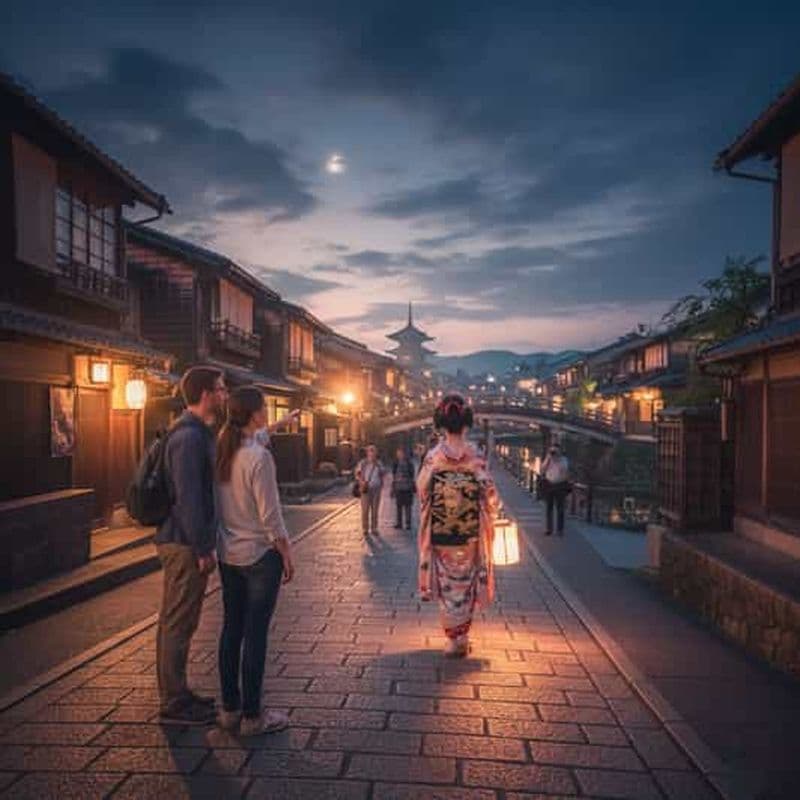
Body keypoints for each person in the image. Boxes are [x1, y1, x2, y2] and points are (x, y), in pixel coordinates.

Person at [215, 386, 296, 736]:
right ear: (253, 413)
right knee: (255, 634)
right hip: (261, 555)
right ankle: (253, 717)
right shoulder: (259, 459)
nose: (267, 412)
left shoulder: (223, 448)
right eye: (264, 408)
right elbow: (271, 516)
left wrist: (282, 423)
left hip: (228, 553)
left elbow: (258, 437)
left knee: (231, 630)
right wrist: (286, 551)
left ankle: (230, 710)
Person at [156, 366, 226, 725]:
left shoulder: (197, 433)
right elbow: (189, 498)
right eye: (220, 388)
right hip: (183, 543)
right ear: (204, 394)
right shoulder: (188, 437)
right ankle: (173, 701)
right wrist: (202, 548)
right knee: (178, 621)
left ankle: (178, 692)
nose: (225, 394)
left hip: (185, 540)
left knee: (180, 619)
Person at [417, 394, 498, 657]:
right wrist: (493, 512)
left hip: (442, 531)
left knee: (447, 584)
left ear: (441, 424)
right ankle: (462, 636)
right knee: (467, 581)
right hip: (470, 530)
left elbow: (422, 490)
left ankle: (452, 638)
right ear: (466, 425)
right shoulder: (475, 454)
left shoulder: (433, 456)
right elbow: (488, 491)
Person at [540, 442, 570, 536]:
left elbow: (564, 471)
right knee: (549, 508)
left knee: (560, 509)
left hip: (560, 485)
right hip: (549, 484)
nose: (554, 452)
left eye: (556, 450)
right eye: (552, 450)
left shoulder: (564, 460)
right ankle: (549, 529)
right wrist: (548, 459)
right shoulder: (548, 459)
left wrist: (557, 459)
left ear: (560, 451)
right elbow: (542, 470)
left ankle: (560, 530)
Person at [355, 444, 385, 537]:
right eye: (370, 451)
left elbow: (383, 473)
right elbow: (358, 474)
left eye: (373, 451)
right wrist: (361, 482)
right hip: (366, 489)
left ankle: (374, 528)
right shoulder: (363, 463)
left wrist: (380, 468)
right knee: (365, 510)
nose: (372, 453)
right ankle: (365, 528)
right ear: (367, 453)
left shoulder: (379, 463)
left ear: (376, 453)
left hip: (376, 488)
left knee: (375, 509)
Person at [392, 447, 416, 530]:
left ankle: (408, 523)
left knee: (408, 506)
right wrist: (394, 486)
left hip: (407, 487)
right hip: (398, 487)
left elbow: (412, 474)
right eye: (398, 453)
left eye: (401, 453)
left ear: (404, 454)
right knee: (398, 506)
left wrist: (405, 477)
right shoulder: (396, 463)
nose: (399, 455)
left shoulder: (409, 463)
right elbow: (394, 475)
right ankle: (399, 523)